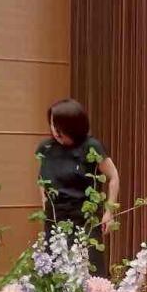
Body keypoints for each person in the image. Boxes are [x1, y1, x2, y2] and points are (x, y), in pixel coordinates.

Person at [36, 99, 119, 277]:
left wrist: (109, 212)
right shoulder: (46, 148)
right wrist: (44, 203)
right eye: (52, 125)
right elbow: (42, 179)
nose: (55, 131)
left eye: (59, 126)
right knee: (54, 271)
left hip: (85, 218)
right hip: (55, 219)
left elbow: (113, 177)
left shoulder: (91, 147)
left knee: (89, 270)